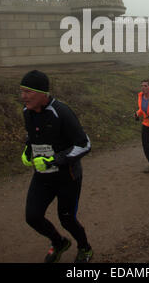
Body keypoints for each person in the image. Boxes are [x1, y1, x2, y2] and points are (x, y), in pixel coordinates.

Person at [20, 70, 93, 263]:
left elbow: (85, 145)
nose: (23, 96)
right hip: (42, 176)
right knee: (33, 217)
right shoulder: (26, 111)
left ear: (43, 93)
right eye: (22, 91)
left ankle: (85, 248)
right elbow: (32, 135)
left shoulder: (61, 112)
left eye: (29, 92)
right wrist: (27, 151)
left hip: (67, 177)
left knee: (67, 219)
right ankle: (59, 242)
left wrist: (53, 160)